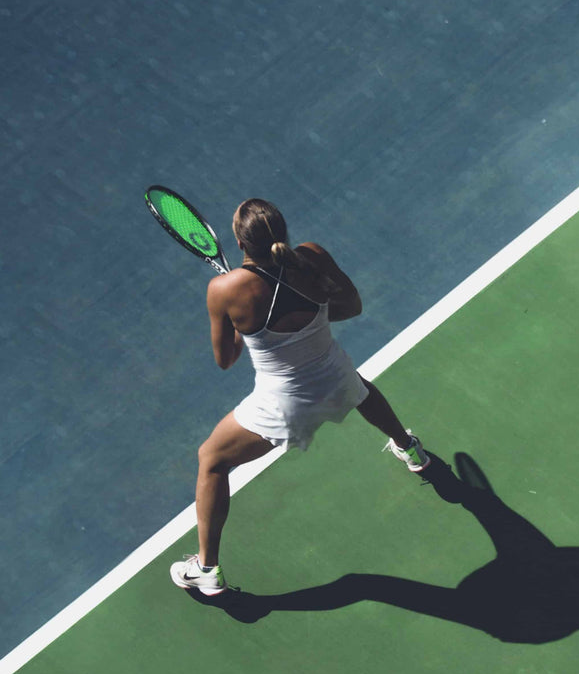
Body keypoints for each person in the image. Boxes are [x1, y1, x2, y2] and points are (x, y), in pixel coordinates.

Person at [170, 198, 429, 596]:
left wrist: (245, 328)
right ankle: (410, 449)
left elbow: (226, 359)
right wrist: (308, 321)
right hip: (334, 374)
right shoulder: (312, 256)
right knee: (357, 387)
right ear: (282, 232)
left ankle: (206, 569)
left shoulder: (224, 289)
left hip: (284, 406)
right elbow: (352, 306)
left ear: (240, 241)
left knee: (211, 459)